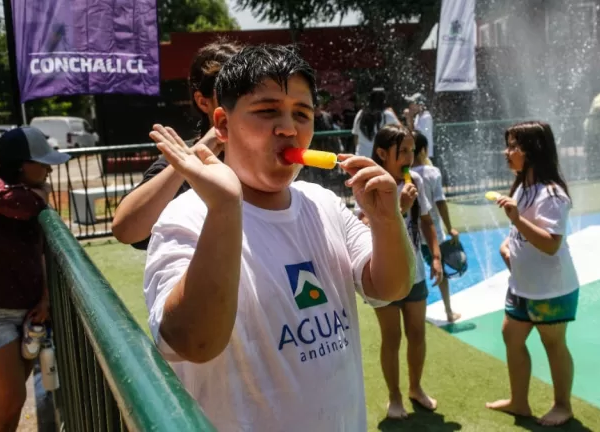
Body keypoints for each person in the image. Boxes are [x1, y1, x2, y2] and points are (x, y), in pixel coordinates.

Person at [143, 44, 415, 431]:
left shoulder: (324, 204)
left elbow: (390, 287)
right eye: (267, 110)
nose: (289, 128)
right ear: (222, 124)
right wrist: (225, 209)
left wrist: (387, 220)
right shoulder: (186, 218)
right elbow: (193, 342)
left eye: (302, 114)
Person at [486, 121, 579, 427]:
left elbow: (551, 244)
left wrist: (516, 219)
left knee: (553, 344)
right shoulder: (522, 187)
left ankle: (562, 406)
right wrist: (507, 243)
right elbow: (521, 230)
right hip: (522, 285)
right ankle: (519, 402)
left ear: (533, 150)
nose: (507, 152)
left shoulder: (552, 194)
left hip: (551, 289)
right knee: (511, 336)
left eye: (514, 146)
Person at [112, 39, 240, 249]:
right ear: (203, 102)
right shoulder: (183, 160)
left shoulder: (266, 155)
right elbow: (126, 230)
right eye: (231, 95)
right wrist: (195, 157)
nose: (241, 104)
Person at [357, 124, 443, 419]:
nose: (409, 157)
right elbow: (362, 227)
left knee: (417, 333)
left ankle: (416, 388)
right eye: (402, 151)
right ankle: (394, 397)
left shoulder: (415, 179)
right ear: (382, 153)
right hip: (384, 274)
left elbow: (427, 221)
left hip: (413, 272)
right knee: (391, 338)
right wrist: (400, 207)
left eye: (411, 150)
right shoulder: (369, 183)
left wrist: (436, 256)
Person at [0, 127, 70, 431]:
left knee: (10, 403)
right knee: (10, 399)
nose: (50, 169)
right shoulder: (0, 186)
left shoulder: (29, 190)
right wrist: (38, 196)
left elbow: (40, 251)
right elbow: (14, 203)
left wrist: (45, 297)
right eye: (43, 162)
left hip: (26, 313)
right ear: (22, 165)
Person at [411, 130, 460, 322]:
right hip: (433, 233)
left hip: (412, 233)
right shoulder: (432, 172)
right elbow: (440, 202)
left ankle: (415, 310)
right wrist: (450, 227)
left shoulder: (404, 174)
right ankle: (448, 311)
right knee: (441, 272)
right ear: (423, 149)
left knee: (415, 271)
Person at [351, 87, 400, 158]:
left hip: (360, 156)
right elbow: (402, 132)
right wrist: (393, 113)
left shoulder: (360, 114)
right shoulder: (387, 115)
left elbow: (356, 137)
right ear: (384, 100)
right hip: (378, 158)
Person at [404, 93, 435, 164]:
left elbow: (416, 134)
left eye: (412, 103)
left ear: (420, 105)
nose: (410, 106)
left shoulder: (426, 117)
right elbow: (411, 131)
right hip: (419, 154)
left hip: (426, 155)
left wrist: (410, 117)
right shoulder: (418, 116)